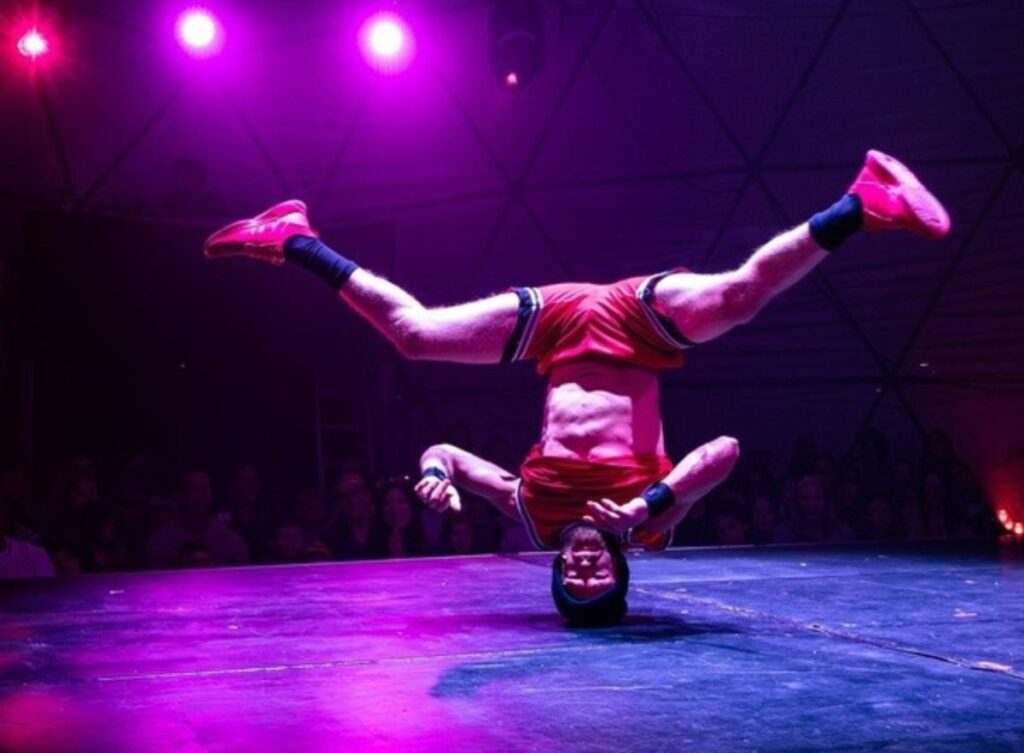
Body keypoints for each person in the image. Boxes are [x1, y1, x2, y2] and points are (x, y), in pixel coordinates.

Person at [204, 149, 951, 625]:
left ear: (559, 570)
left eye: (573, 577)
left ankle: (293, 238)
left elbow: (448, 454)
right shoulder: (650, 528)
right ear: (619, 568)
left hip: (556, 328)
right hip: (638, 326)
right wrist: (649, 503)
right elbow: (723, 452)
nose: (584, 566)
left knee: (416, 335)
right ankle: (861, 203)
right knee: (737, 298)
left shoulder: (534, 516)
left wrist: (434, 473)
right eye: (598, 576)